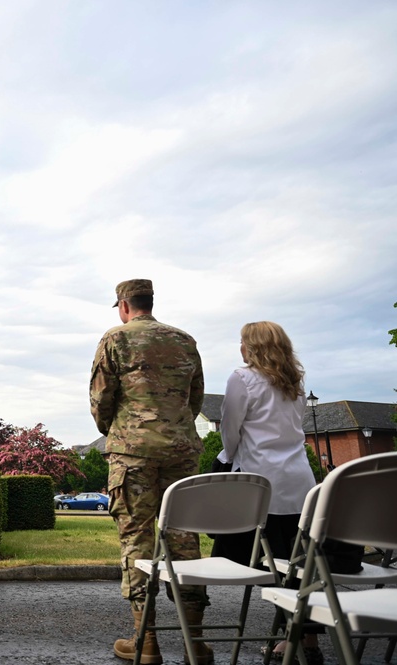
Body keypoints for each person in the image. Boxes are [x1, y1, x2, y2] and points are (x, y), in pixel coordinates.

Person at [89, 279, 211, 665]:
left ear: (125, 305)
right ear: (149, 302)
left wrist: (119, 430)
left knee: (136, 540)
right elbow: (195, 398)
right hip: (181, 452)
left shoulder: (116, 339)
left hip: (132, 453)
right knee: (185, 541)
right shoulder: (185, 340)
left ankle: (146, 643)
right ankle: (196, 642)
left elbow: (100, 400)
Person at [214, 321, 320, 663]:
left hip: (261, 479)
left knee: (269, 561)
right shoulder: (296, 383)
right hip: (299, 480)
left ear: (251, 347)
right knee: (299, 563)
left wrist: (227, 459)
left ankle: (290, 640)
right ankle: (307, 638)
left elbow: (230, 429)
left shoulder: (241, 378)